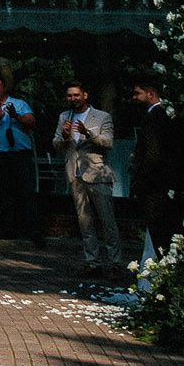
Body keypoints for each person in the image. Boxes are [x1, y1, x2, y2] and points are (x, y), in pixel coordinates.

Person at [54, 80, 121, 275]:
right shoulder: (64, 117)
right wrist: (65, 136)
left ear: (85, 95)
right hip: (75, 174)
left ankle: (115, 264)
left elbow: (108, 142)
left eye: (76, 95)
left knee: (107, 221)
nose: (72, 99)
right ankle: (92, 262)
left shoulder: (102, 116)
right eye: (69, 96)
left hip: (98, 174)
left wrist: (88, 133)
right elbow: (56, 144)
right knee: (85, 222)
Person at [0, 74, 41, 246]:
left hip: (20, 154)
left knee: (27, 193)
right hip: (0, 156)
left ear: (4, 88)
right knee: (5, 194)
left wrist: (16, 116)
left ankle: (33, 231)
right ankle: (8, 230)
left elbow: (32, 122)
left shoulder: (19, 103)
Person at [130, 80, 184, 251]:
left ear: (151, 94)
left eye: (137, 93)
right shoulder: (173, 116)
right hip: (175, 183)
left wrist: (139, 180)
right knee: (173, 232)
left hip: (155, 187)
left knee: (160, 234)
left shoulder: (153, 118)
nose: (134, 98)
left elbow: (151, 155)